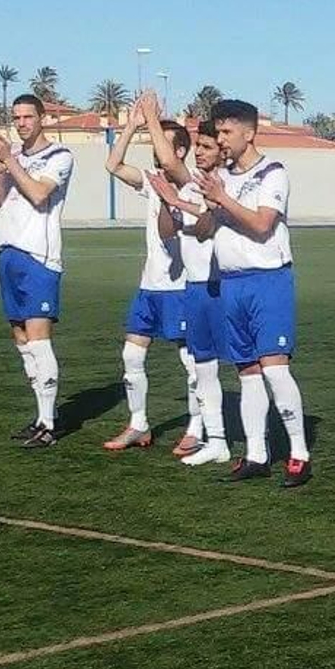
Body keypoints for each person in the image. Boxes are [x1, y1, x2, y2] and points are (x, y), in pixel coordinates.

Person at [193, 99, 313, 487]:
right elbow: (206, 229)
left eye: (227, 132)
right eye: (219, 133)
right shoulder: (221, 176)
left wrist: (223, 199)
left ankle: (298, 453)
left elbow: (262, 225)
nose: (222, 140)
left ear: (249, 132)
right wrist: (196, 206)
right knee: (246, 371)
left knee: (275, 368)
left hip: (267, 280)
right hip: (231, 282)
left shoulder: (272, 173)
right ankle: (257, 454)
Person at [101, 91, 195, 452]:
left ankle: (196, 427)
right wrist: (132, 126)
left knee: (192, 361)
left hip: (181, 286)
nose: (156, 151)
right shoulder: (153, 181)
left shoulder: (189, 180)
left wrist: (154, 118)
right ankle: (138, 424)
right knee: (131, 355)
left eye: (163, 144)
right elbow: (113, 165)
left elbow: (171, 164)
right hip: (149, 285)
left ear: (180, 151)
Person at [0, 93, 74, 449]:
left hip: (39, 256)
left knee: (38, 340)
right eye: (17, 118)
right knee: (21, 340)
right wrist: (0, 170)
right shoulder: (14, 158)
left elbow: (39, 194)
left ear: (42, 119)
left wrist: (11, 161)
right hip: (8, 252)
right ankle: (39, 417)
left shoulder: (60, 156)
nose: (22, 123)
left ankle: (50, 424)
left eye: (27, 117)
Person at [147, 119, 231, 466]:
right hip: (194, 286)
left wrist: (178, 203)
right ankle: (217, 440)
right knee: (203, 365)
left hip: (223, 285)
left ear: (222, 153)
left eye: (206, 147)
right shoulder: (190, 187)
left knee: (252, 368)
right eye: (198, 146)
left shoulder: (226, 185)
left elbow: (204, 228)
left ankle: (264, 446)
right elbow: (168, 231)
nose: (199, 152)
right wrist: (170, 203)